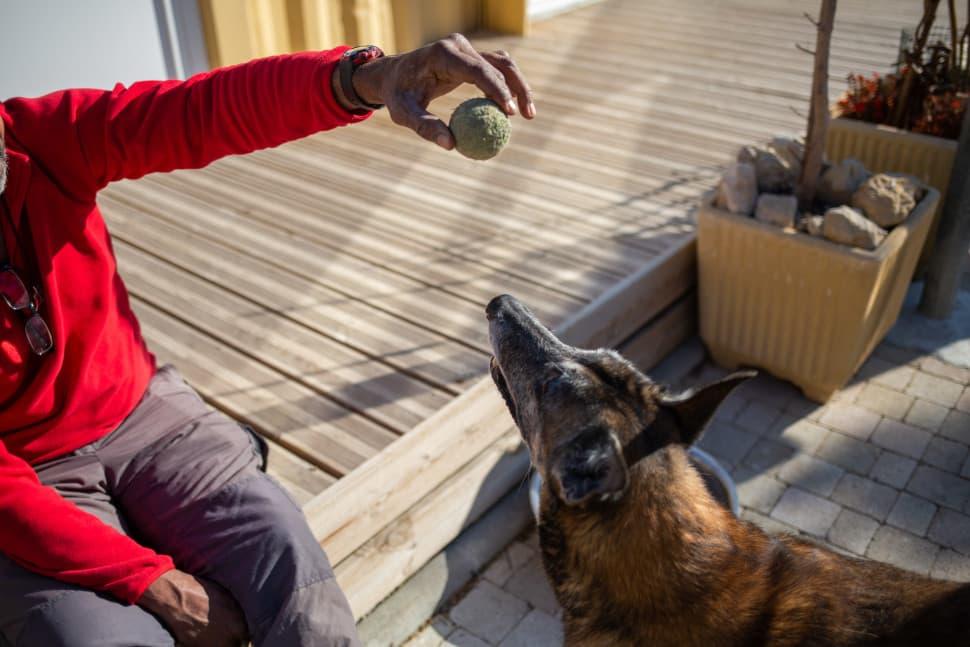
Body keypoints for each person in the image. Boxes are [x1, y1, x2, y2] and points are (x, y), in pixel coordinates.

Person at [0, 35, 534, 647]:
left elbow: (200, 110)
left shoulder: (38, 138)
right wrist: (154, 583)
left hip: (143, 415)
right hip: (27, 480)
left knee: (301, 593)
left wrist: (368, 78)